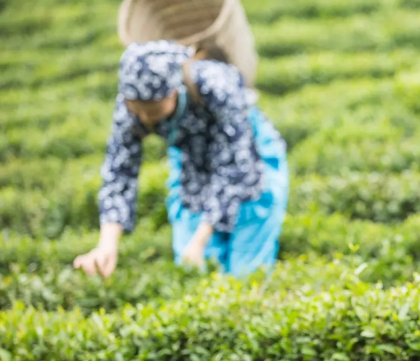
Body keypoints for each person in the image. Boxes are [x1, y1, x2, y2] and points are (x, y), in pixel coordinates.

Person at [74, 40, 288, 278]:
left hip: (248, 156)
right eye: (138, 109)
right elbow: (119, 171)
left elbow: (236, 166)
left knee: (245, 270)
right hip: (192, 160)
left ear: (174, 91)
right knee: (195, 271)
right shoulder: (130, 104)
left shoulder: (216, 84)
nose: (145, 118)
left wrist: (199, 241)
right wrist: (107, 245)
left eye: (153, 110)